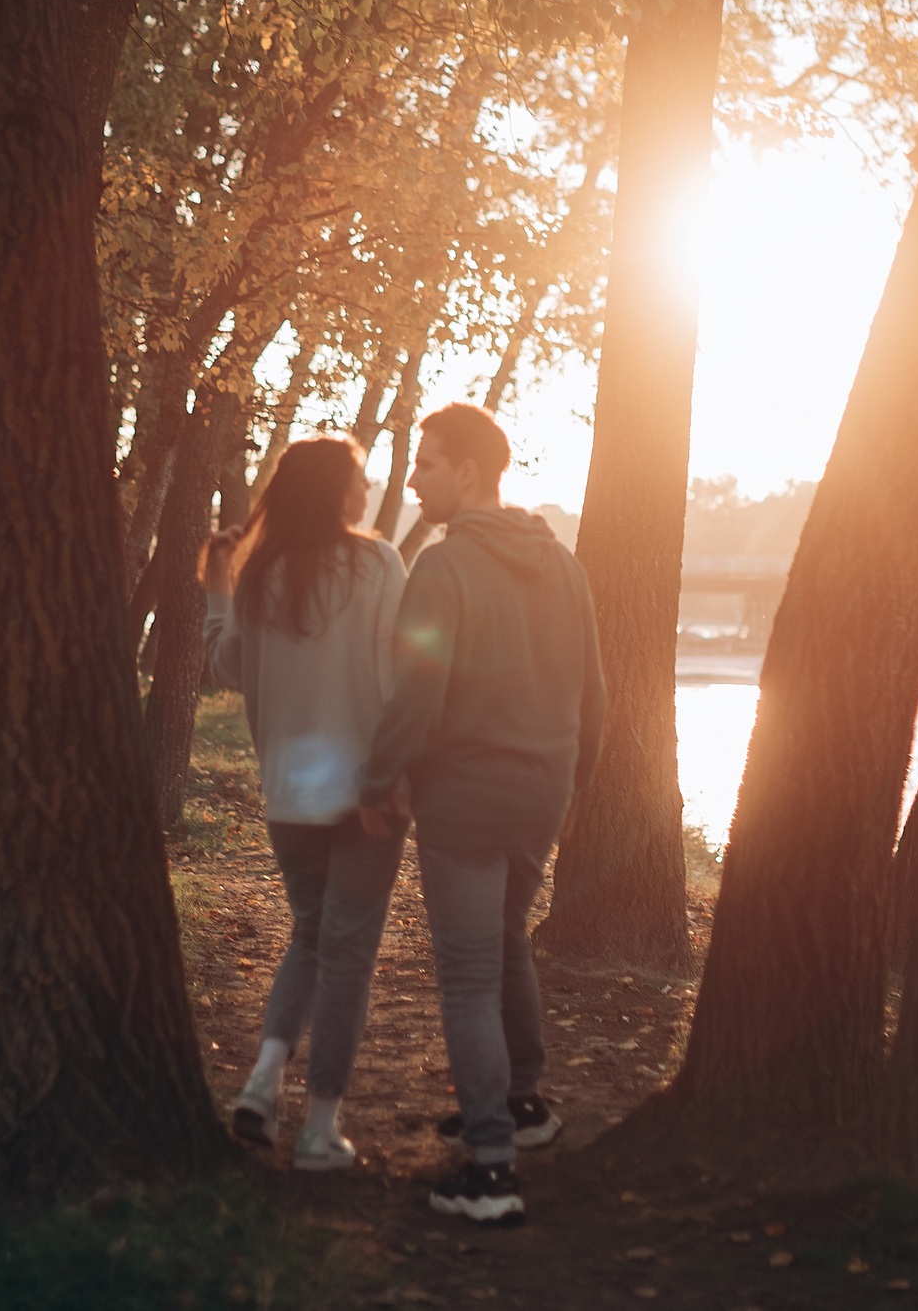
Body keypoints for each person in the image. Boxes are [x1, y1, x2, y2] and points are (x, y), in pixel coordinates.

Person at [358, 402, 604, 1225]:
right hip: (542, 793)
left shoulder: (445, 564)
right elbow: (594, 698)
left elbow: (417, 692)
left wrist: (378, 779)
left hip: (465, 797)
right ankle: (525, 1105)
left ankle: (491, 1169)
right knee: (504, 944)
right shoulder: (563, 565)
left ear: (469, 471)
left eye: (427, 463)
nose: (416, 475)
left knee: (466, 972)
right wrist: (574, 789)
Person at [200, 435, 409, 1170]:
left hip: (289, 798)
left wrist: (219, 579)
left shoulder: (262, 575)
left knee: (311, 938)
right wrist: (395, 779)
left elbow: (223, 662)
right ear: (333, 489)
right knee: (346, 953)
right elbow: (399, 673)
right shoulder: (379, 563)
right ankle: (321, 1126)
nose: (366, 488)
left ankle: (262, 1079)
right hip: (367, 798)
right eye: (357, 477)